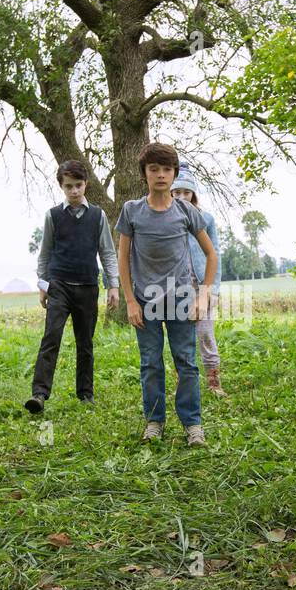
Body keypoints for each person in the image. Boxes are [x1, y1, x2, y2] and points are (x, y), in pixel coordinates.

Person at [115, 142, 219, 446]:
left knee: (186, 361)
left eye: (166, 169)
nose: (160, 175)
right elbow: (123, 258)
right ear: (144, 174)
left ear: (174, 173)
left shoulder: (185, 210)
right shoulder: (132, 211)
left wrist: (202, 296)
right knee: (150, 363)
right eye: (154, 169)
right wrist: (130, 301)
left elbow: (211, 255)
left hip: (182, 300)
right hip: (145, 301)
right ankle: (155, 422)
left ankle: (192, 425)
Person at [26, 159, 120, 412]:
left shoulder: (98, 215)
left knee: (85, 342)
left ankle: (85, 394)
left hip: (88, 286)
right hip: (59, 286)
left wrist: (113, 285)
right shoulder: (53, 215)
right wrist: (43, 284)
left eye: (78, 185)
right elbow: (44, 253)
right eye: (69, 186)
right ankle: (39, 394)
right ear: (61, 186)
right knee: (51, 337)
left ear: (86, 184)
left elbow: (108, 253)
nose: (74, 191)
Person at [171, 162, 226, 397]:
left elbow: (215, 254)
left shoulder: (206, 219)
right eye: (177, 192)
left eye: (186, 192)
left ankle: (214, 383)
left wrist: (213, 289)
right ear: (171, 193)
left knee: (205, 334)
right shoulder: (166, 218)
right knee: (180, 339)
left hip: (201, 287)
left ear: (193, 193)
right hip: (175, 289)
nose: (182, 196)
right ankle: (183, 384)